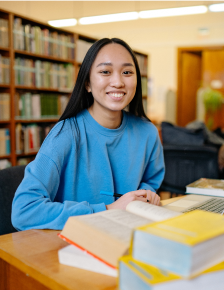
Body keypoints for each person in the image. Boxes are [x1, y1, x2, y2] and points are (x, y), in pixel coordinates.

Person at [12, 38, 165, 231]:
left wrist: (146, 195)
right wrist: (109, 209)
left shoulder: (147, 132)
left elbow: (151, 181)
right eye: (105, 72)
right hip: (72, 243)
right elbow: (24, 211)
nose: (118, 82)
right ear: (87, 84)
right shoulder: (65, 134)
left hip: (127, 234)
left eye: (127, 72)